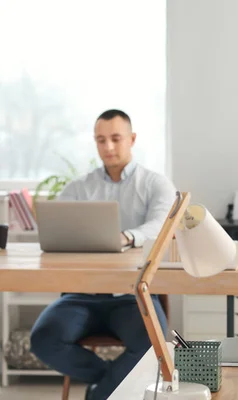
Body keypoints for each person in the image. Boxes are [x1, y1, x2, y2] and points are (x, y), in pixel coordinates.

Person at [30, 109, 176, 400]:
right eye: (100, 140)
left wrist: (127, 236)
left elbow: (161, 227)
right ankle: (108, 384)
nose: (108, 147)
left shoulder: (156, 184)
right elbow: (57, 229)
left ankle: (99, 395)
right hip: (81, 293)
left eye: (115, 138)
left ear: (132, 139)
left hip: (134, 296)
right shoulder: (78, 188)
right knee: (43, 340)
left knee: (153, 347)